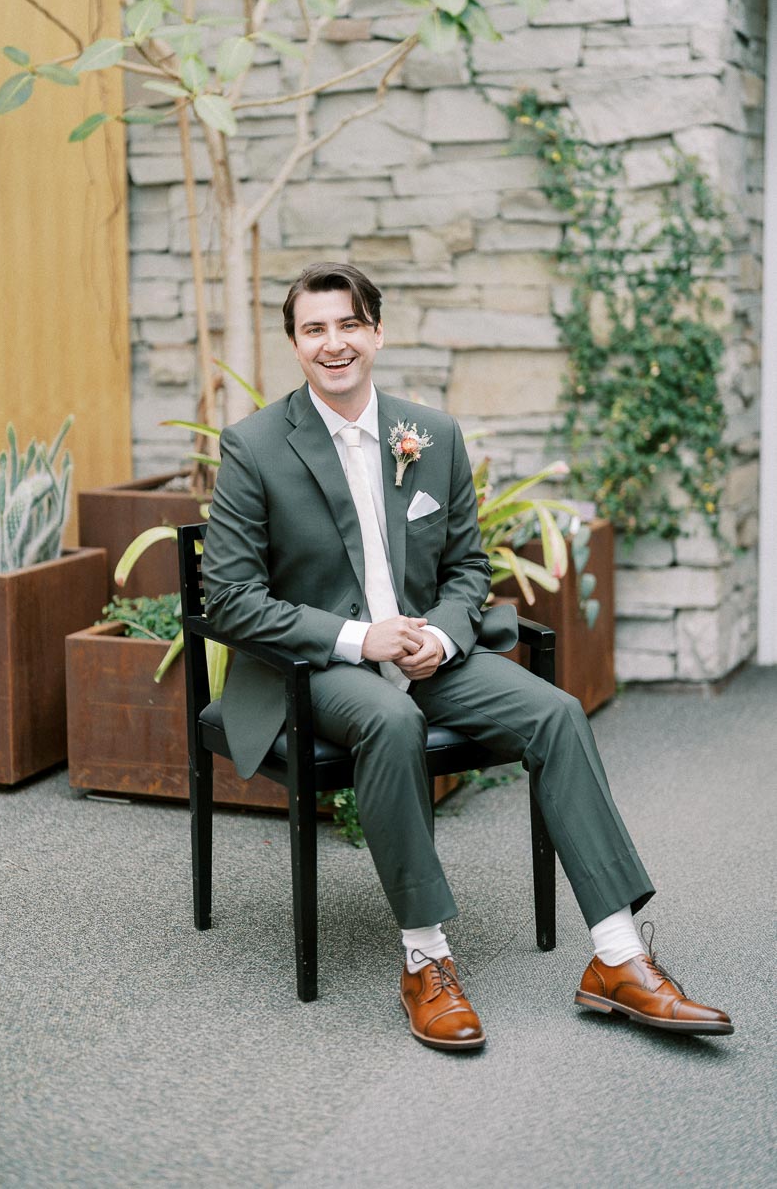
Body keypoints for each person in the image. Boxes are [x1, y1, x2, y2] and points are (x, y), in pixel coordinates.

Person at [202, 262, 733, 1050]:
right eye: (314, 329)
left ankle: (618, 958)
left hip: (431, 657)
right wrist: (360, 638)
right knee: (387, 720)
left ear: (376, 333)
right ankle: (426, 959)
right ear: (295, 344)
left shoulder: (432, 435)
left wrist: (441, 636)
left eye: (349, 324)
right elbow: (231, 599)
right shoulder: (253, 448)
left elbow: (467, 570)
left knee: (553, 712)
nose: (334, 342)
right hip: (323, 672)